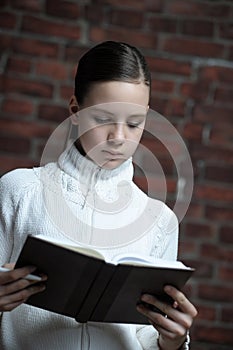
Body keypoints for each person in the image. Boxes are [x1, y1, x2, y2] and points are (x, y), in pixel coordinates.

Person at [0, 41, 197, 350]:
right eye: (103, 119)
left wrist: (170, 341)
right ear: (75, 110)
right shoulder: (19, 191)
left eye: (134, 123)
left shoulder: (161, 221)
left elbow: (146, 336)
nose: (119, 138)